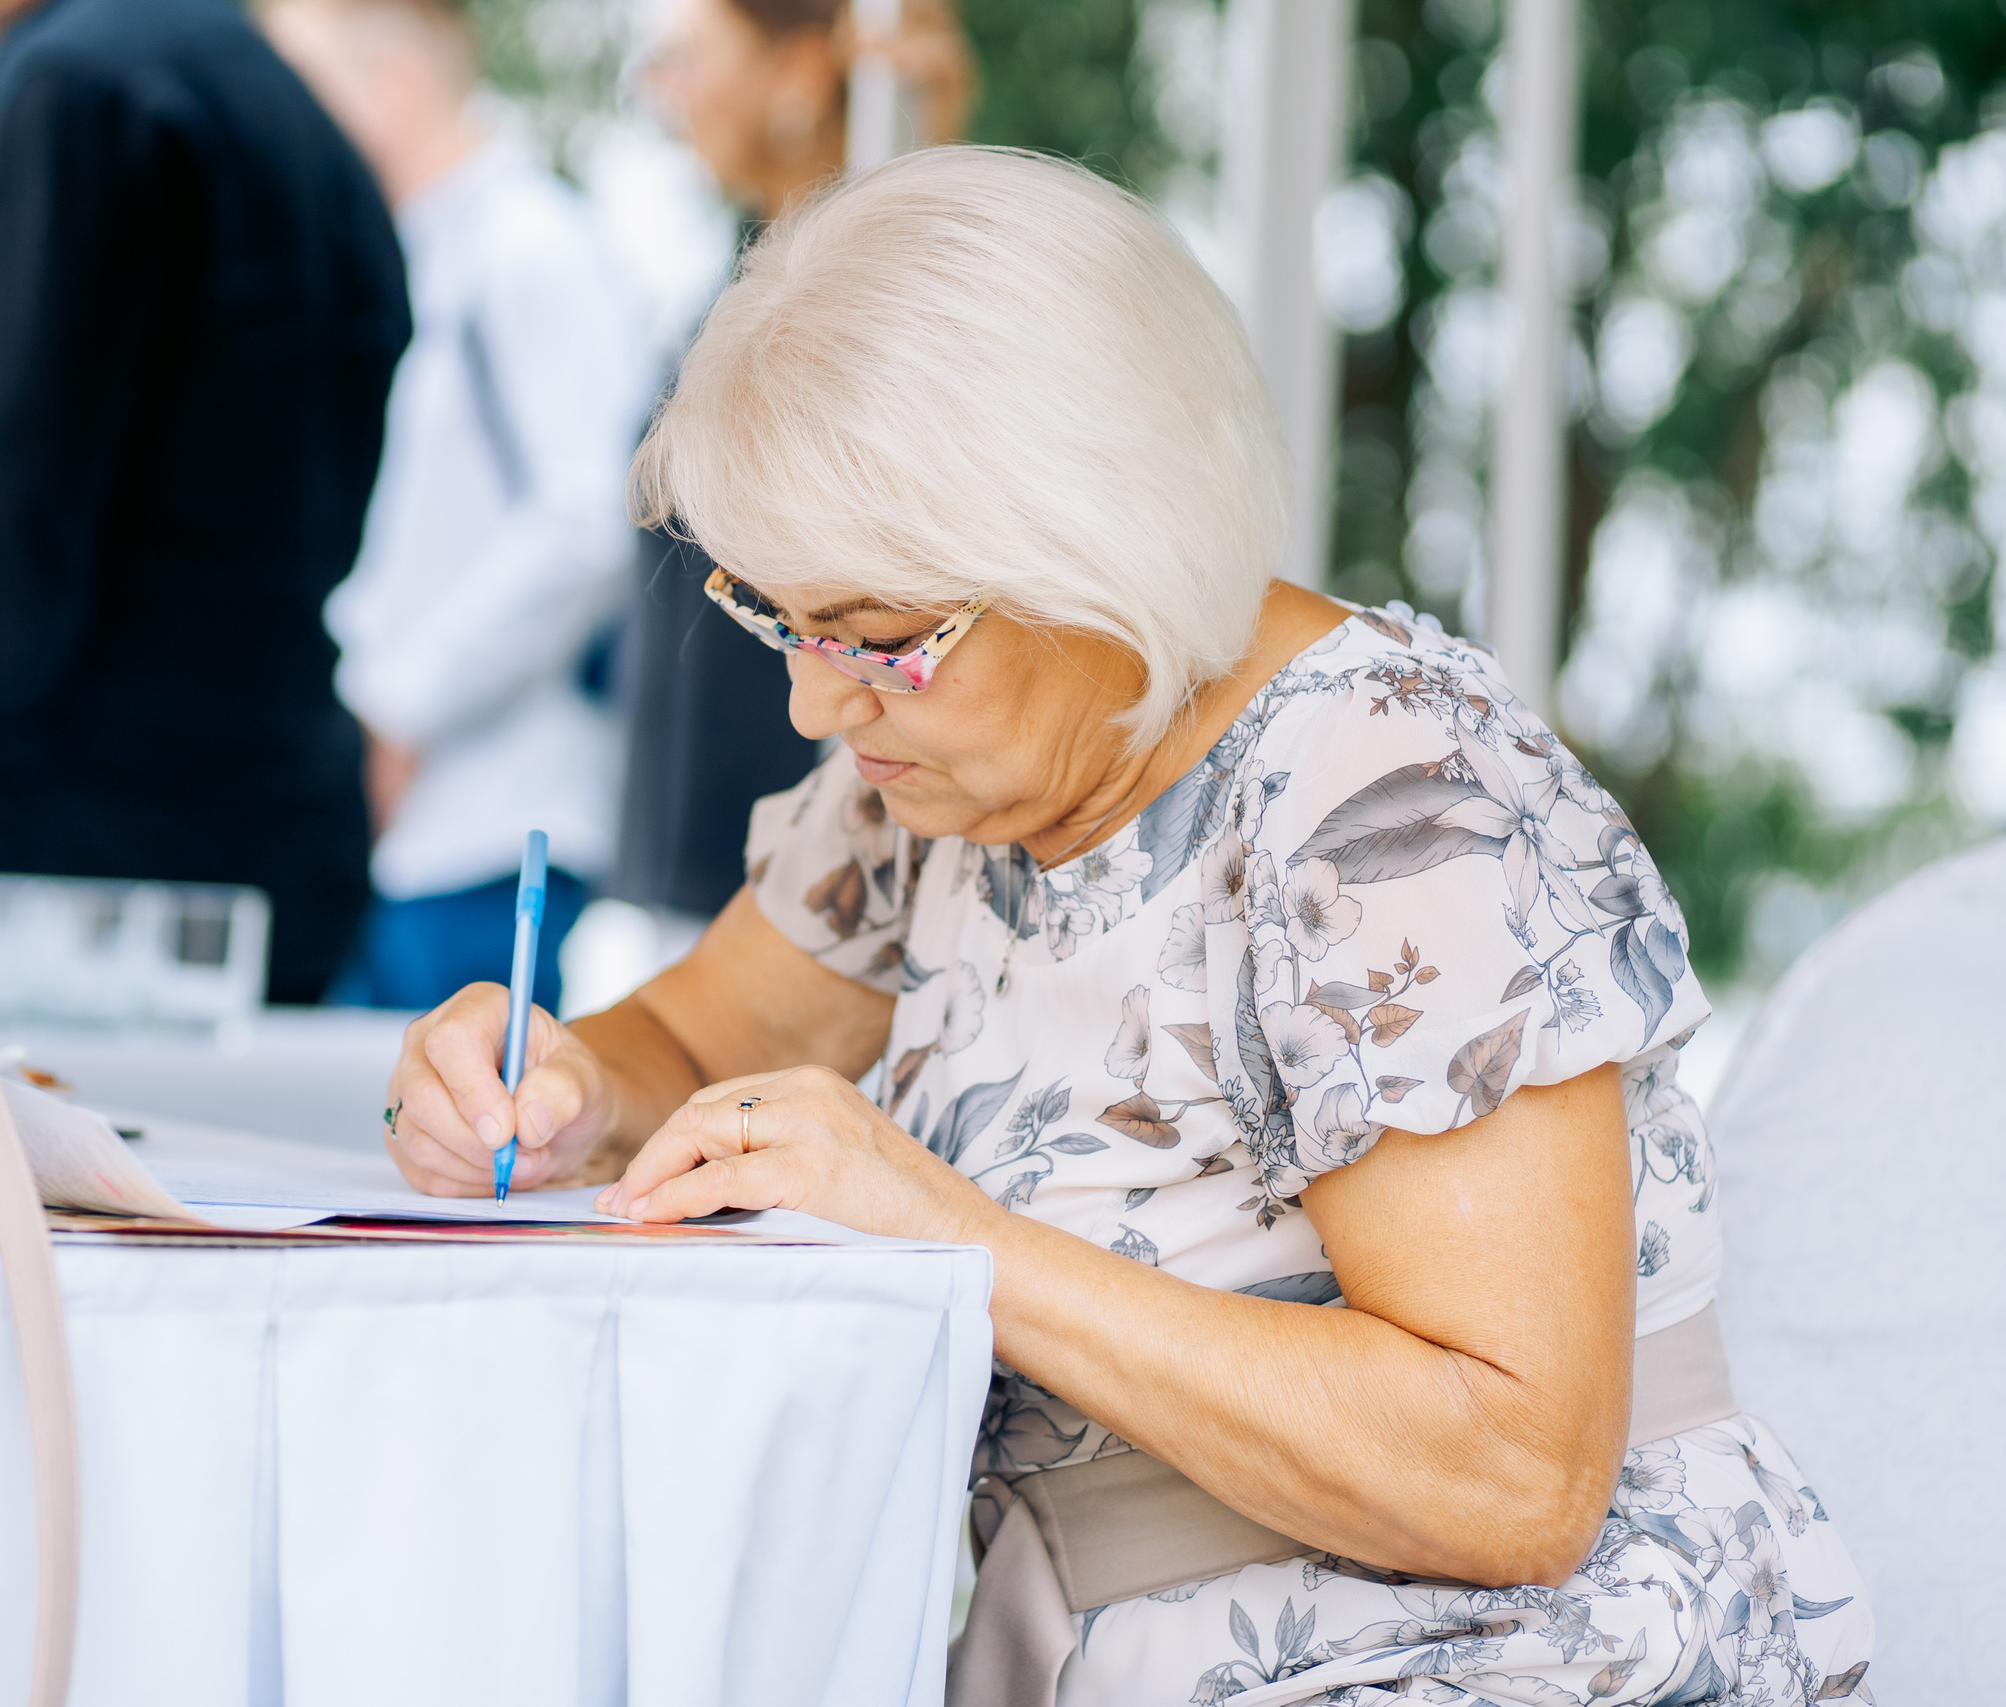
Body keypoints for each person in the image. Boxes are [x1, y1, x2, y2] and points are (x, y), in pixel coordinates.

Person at [375, 150, 1874, 1703]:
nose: (814, 700)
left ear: (1098, 549)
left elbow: (1512, 1473)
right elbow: (697, 1041)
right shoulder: (936, 776)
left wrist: (951, 1234)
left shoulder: (1394, 800)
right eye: (779, 617)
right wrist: (557, 1083)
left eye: (879, 640)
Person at [0, 0, 410, 1003]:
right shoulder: (300, 117)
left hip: (80, 840)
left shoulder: (73, 83)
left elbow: (16, 447)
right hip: (278, 813)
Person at [256, 0, 654, 1014]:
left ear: (390, 83)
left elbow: (589, 522)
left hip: (484, 832)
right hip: (388, 833)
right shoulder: (407, 253)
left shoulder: (529, 246)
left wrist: (397, 710)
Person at [604, 0, 971, 944]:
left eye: (688, 58)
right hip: (690, 865)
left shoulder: (885, 305)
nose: (666, 93)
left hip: (803, 869)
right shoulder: (735, 279)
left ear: (802, 73)